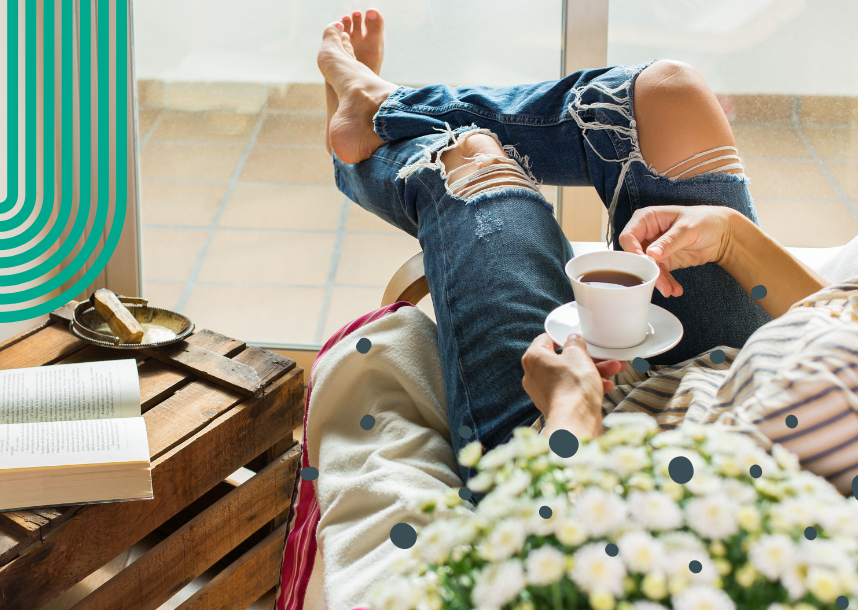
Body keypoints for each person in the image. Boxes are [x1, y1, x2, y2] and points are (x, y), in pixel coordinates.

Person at [318, 10, 858, 494]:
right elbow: (839, 318)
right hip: (747, 366)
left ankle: (370, 127)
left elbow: (585, 551)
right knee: (671, 95)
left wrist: (569, 411)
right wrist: (730, 236)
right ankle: (387, 108)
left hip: (593, 465)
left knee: (475, 163)